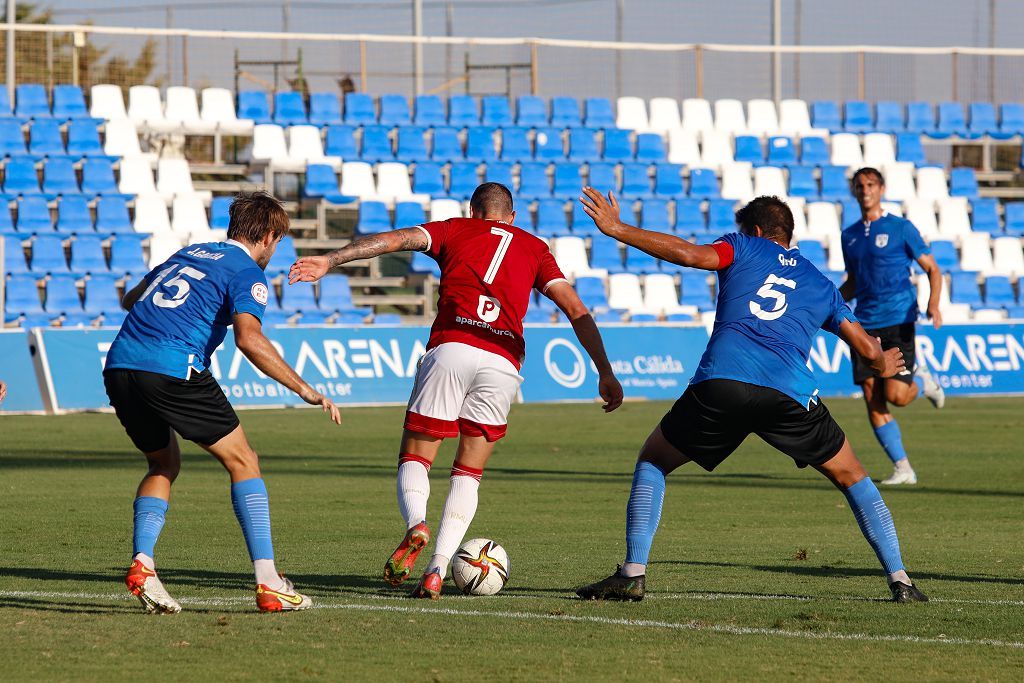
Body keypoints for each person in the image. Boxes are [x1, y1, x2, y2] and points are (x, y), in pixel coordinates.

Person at [574, 189, 928, 604]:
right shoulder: (819, 280)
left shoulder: (742, 245)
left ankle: (633, 573)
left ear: (756, 230)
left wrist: (617, 228)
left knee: (654, 459)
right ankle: (901, 580)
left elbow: (690, 255)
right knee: (854, 478)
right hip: (790, 394)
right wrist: (884, 362)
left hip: (724, 381)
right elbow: (869, 352)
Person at [290, 182, 623, 599]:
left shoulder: (454, 229)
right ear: (512, 217)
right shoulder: (536, 248)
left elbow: (394, 240)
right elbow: (577, 310)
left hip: (452, 346)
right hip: (503, 361)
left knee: (416, 455)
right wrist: (605, 370)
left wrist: (331, 259)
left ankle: (417, 524)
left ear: (473, 211)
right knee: (469, 472)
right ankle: (437, 570)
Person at [104, 191, 340, 614]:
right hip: (174, 367)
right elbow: (249, 339)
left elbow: (130, 300)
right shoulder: (246, 271)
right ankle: (269, 582)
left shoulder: (188, 252)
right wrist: (305, 389)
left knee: (163, 464)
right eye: (278, 241)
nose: (275, 250)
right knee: (244, 461)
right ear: (268, 236)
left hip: (120, 365)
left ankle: (143, 564)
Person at [841, 168, 945, 486]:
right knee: (873, 395)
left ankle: (922, 383)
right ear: (854, 192)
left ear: (881, 188)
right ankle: (903, 468)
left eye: (871, 184)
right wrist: (827, 303)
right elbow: (854, 282)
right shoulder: (850, 235)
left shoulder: (901, 228)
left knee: (897, 395)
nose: (865, 190)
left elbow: (932, 269)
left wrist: (933, 304)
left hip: (898, 319)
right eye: (860, 186)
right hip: (864, 325)